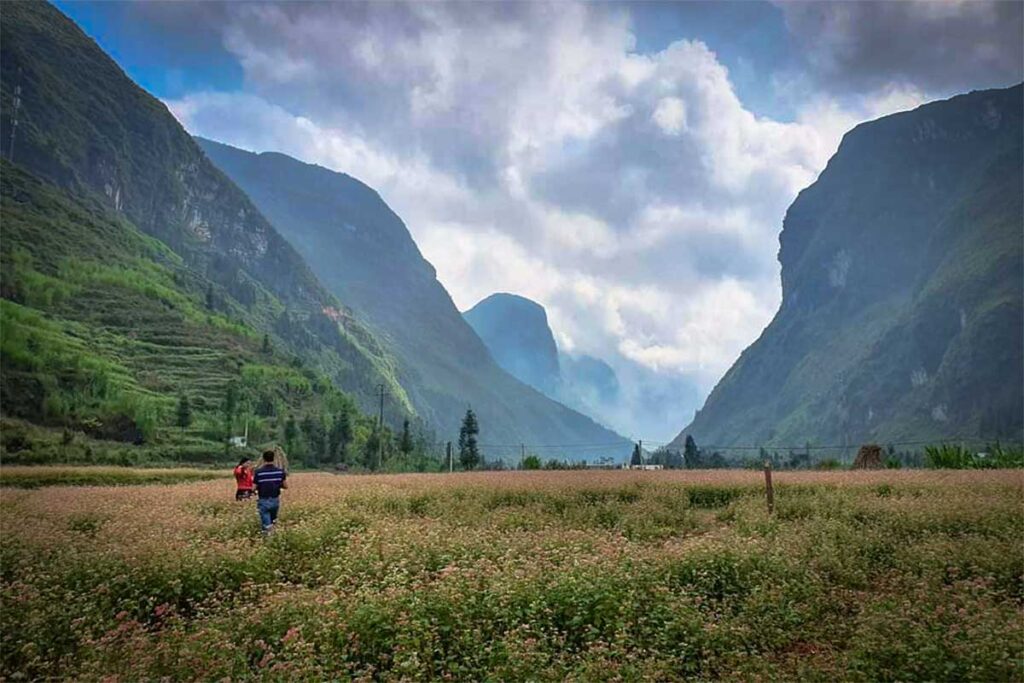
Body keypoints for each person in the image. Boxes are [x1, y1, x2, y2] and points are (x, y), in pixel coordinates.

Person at [253, 449, 288, 535]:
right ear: (274, 459)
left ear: (263, 459)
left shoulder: (258, 472)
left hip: (263, 500)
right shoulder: (280, 472)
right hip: (275, 500)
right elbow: (285, 486)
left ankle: (268, 539)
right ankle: (272, 537)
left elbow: (253, 488)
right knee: (273, 521)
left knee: (266, 524)